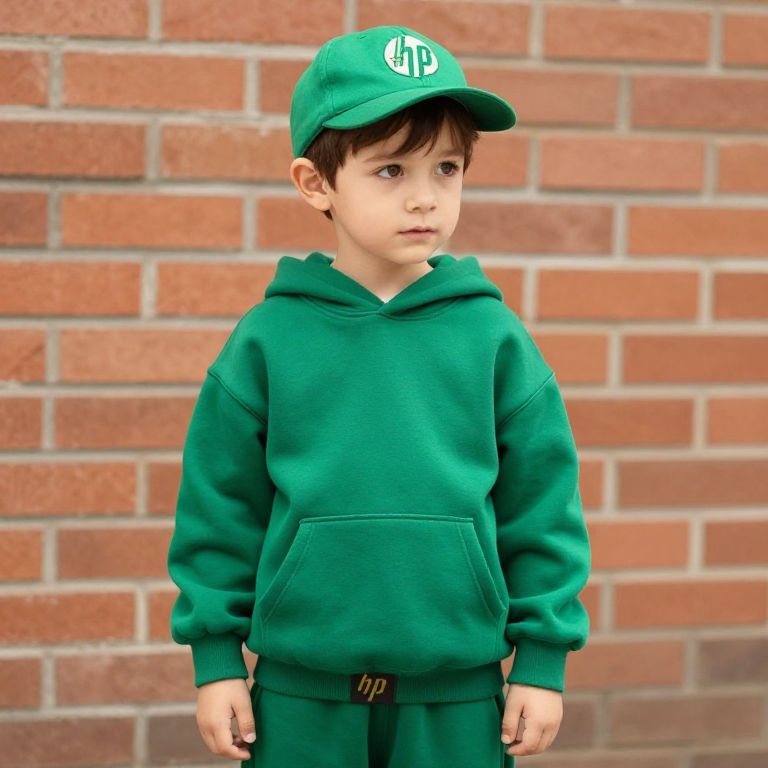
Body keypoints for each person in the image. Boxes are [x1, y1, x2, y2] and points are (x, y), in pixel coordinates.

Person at [166, 23, 591, 768]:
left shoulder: (495, 339)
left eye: (447, 168)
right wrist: (216, 660)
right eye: (391, 170)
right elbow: (219, 510)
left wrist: (541, 661)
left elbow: (542, 510)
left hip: (459, 704)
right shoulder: (268, 340)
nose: (426, 197)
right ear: (316, 183)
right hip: (299, 702)